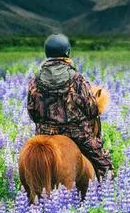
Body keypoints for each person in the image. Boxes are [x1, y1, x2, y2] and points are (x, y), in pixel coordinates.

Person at [27, 34, 113, 179]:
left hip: (44, 132)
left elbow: (32, 112)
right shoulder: (76, 78)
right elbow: (91, 110)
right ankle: (107, 184)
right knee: (103, 162)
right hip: (76, 133)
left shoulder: (36, 79)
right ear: (67, 52)